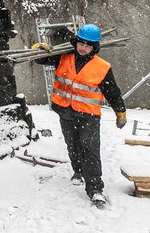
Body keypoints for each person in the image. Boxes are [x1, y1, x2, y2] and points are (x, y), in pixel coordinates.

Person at [32, 24, 127, 207]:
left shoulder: (102, 67)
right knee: (72, 145)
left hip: (88, 115)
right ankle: (78, 171)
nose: (83, 48)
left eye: (88, 45)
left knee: (90, 150)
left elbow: (112, 92)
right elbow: (42, 60)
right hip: (65, 111)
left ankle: (95, 189)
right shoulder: (63, 56)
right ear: (76, 42)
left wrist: (120, 111)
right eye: (81, 43)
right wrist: (38, 50)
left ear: (95, 47)